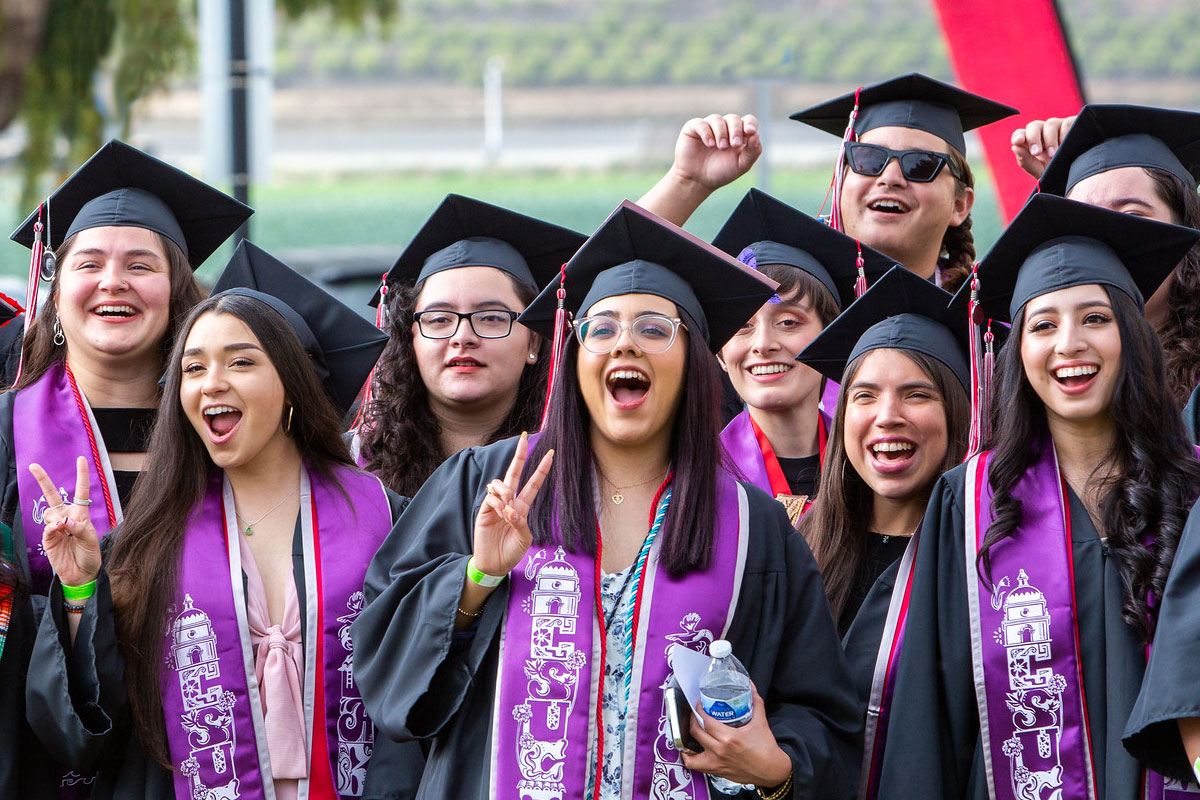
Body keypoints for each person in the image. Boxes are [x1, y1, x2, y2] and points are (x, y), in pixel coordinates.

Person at [350, 201, 863, 799]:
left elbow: (821, 715)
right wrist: (477, 577)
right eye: (601, 328)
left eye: (654, 329)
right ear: (574, 357)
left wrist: (776, 768)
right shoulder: (484, 485)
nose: (625, 345)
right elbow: (386, 673)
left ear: (693, 362)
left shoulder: (751, 525)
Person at [23, 241, 418, 800]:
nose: (210, 383)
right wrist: (83, 586)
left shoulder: (385, 517)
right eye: (192, 368)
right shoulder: (150, 538)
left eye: (240, 361)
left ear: (292, 388)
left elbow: (424, 687)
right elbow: (92, 727)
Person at [872, 193, 1200, 800]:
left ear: (1132, 335)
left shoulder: (1194, 493)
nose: (1069, 344)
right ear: (1018, 353)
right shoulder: (969, 506)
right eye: (1043, 325)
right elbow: (928, 717)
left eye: (1095, 319)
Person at [3, 139, 250, 797]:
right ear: (56, 296)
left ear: (177, 292)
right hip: (36, 753)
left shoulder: (227, 433)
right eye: (89, 263)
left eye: (140, 265)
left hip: (207, 742)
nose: (113, 281)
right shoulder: (4, 433)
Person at [353, 194, 584, 496]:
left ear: (534, 342)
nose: (463, 336)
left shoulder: (576, 465)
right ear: (411, 341)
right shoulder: (353, 468)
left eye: (490, 317)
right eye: (439, 319)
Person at [713, 188, 894, 524]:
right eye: (742, 326)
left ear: (831, 337)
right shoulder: (694, 481)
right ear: (721, 354)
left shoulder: (878, 468)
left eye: (788, 322)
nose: (763, 343)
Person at [1012, 103, 1200, 409]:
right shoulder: (1042, 379)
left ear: (1187, 230)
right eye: (1084, 222)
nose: (1107, 237)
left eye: (1132, 216)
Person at [789, 73, 1017, 293]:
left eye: (921, 164)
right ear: (840, 183)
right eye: (869, 158)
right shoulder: (784, 306)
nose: (889, 178)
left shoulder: (988, 324)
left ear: (959, 205)